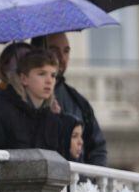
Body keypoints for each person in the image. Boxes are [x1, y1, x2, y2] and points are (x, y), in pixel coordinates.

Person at [0, 49, 76, 160]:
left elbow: (65, 164)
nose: (49, 81)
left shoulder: (55, 122)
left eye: (53, 75)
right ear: (24, 78)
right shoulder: (4, 113)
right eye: (42, 74)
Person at [31, 33, 109, 166]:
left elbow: (97, 149)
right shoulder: (20, 100)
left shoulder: (78, 101)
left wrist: (89, 181)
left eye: (66, 51)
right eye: (54, 51)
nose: (61, 58)